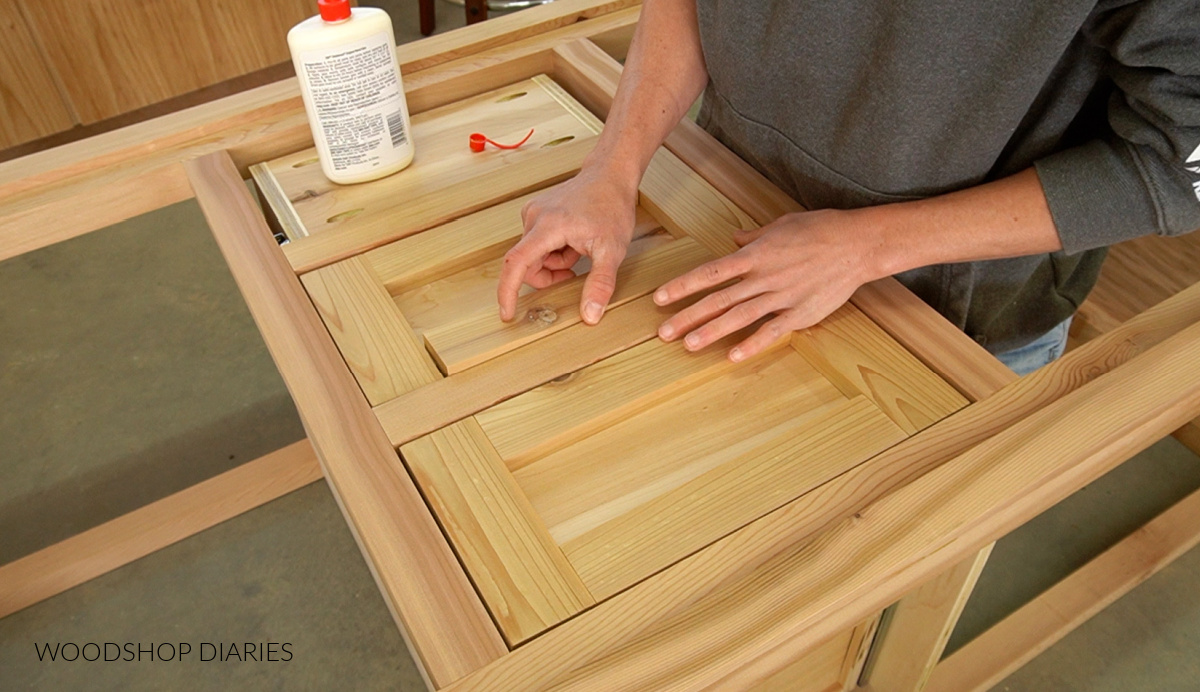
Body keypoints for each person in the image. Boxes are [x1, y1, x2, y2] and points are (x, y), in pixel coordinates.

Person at [496, 0, 1200, 375]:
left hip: (946, 318)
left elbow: (1180, 164)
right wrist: (613, 168)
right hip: (723, 224)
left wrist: (866, 246)